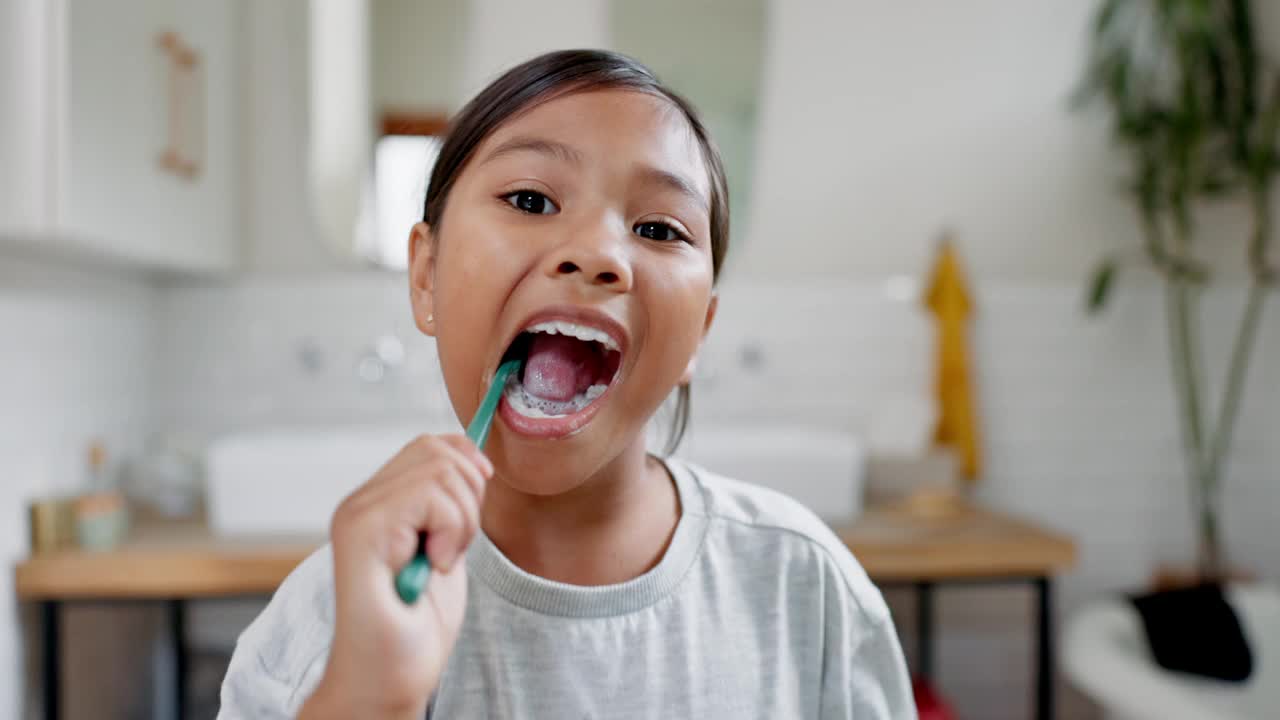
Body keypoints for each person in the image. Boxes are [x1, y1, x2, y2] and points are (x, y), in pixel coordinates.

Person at [218, 49, 914, 719]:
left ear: (699, 332)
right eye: (530, 198)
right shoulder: (334, 620)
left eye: (657, 226)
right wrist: (368, 702)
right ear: (426, 277)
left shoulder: (802, 583)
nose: (597, 253)